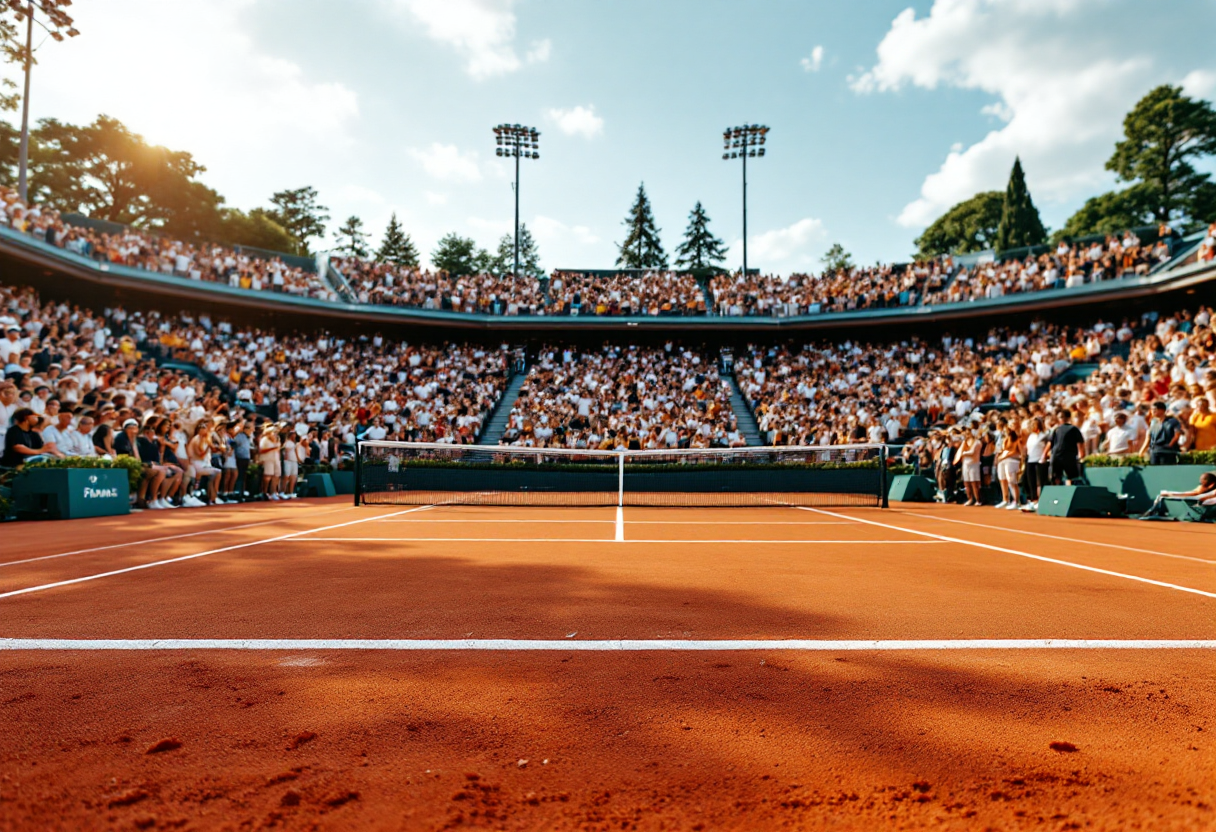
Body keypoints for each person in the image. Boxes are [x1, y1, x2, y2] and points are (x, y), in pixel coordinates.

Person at [186, 421, 221, 506]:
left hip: (204, 465)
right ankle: (213, 496)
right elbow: (200, 455)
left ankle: (213, 496)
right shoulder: (196, 439)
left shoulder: (206, 438)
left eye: (205, 429)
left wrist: (218, 447)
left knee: (214, 476)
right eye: (202, 429)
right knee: (217, 473)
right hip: (196, 465)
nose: (205, 431)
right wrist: (209, 446)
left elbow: (214, 449)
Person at [1048, 408, 1085, 484]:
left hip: (1069, 457)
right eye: (1059, 417)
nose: (1060, 419)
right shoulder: (1056, 429)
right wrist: (1044, 455)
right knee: (1056, 477)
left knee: (1070, 477)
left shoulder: (1074, 429)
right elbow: (1050, 443)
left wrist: (1081, 455)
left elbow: (1080, 443)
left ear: (1068, 418)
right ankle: (1057, 494)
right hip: (1057, 456)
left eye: (1062, 417)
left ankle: (1068, 493)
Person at [1141, 400, 1182, 465]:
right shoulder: (1153, 422)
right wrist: (1142, 451)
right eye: (1152, 409)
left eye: (1155, 409)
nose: (1153, 411)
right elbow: (1148, 437)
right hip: (1154, 451)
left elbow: (1177, 434)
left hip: (1168, 452)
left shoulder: (1172, 421)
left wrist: (1170, 445)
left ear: (1162, 410)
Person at [995, 424, 1023, 509]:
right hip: (1002, 461)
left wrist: (1006, 456)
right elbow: (1002, 450)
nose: (1005, 432)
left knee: (1012, 481)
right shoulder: (1005, 440)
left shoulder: (1017, 440)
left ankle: (1016, 501)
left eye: (1007, 430)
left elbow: (1019, 452)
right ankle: (1005, 500)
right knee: (1002, 480)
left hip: (1012, 461)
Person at [956, 427, 983, 506]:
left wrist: (963, 453)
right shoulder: (965, 442)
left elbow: (972, 452)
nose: (967, 435)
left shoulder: (977, 442)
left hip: (974, 464)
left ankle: (978, 500)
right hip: (965, 464)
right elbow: (959, 452)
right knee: (966, 483)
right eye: (966, 433)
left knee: (974, 482)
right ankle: (970, 499)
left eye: (968, 433)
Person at [258, 423, 282, 500]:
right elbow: (261, 451)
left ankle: (273, 492)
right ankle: (264, 493)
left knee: (276, 476)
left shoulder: (277, 439)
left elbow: (278, 450)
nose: (275, 434)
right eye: (273, 432)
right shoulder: (264, 440)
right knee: (267, 477)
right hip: (267, 460)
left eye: (276, 432)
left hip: (276, 460)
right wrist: (272, 448)